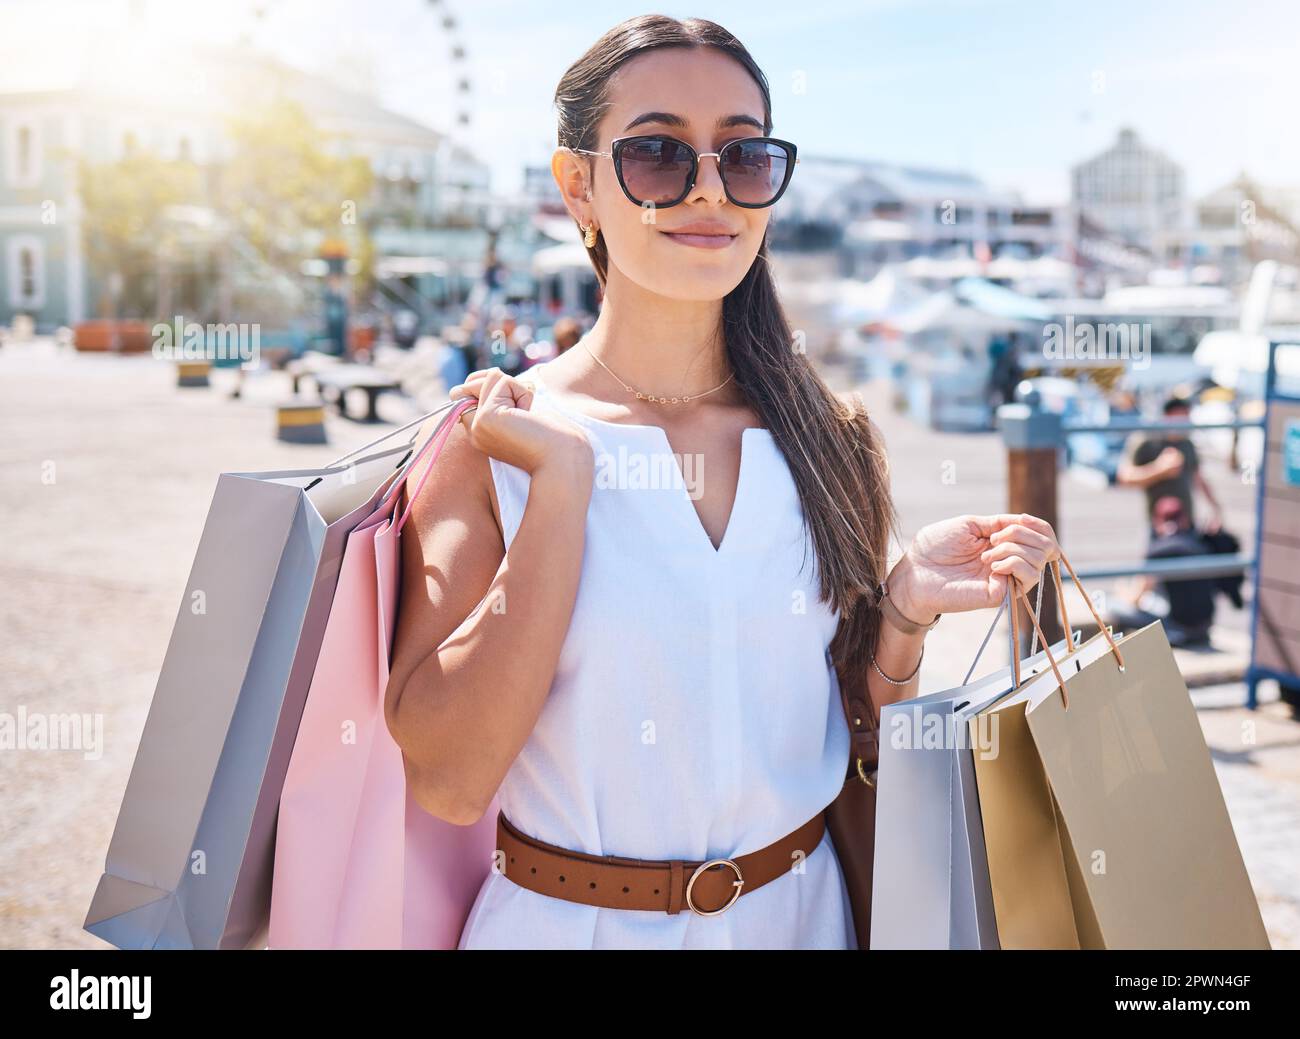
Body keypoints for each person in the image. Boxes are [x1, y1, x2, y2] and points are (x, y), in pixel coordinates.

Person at [383, 14, 1063, 950]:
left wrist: (902, 610)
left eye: (743, 157)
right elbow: (450, 778)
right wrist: (562, 495)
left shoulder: (832, 439)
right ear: (578, 185)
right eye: (659, 155)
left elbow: (852, 735)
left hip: (804, 918)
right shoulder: (496, 439)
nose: (709, 190)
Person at [1108, 496, 1215, 647]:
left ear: (1156, 522)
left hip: (1180, 630)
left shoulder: (1159, 550)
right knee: (1156, 598)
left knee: (1112, 605)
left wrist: (1121, 590)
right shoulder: (1198, 544)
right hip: (1205, 628)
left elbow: (1136, 598)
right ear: (1184, 519)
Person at [1116, 394, 1224, 535]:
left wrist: (1215, 508)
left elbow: (1198, 478)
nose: (1184, 423)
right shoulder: (1145, 440)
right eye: (1180, 417)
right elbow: (1124, 478)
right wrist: (1160, 469)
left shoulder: (1187, 444)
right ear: (1167, 416)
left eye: (1187, 417)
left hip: (1187, 521)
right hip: (1159, 524)